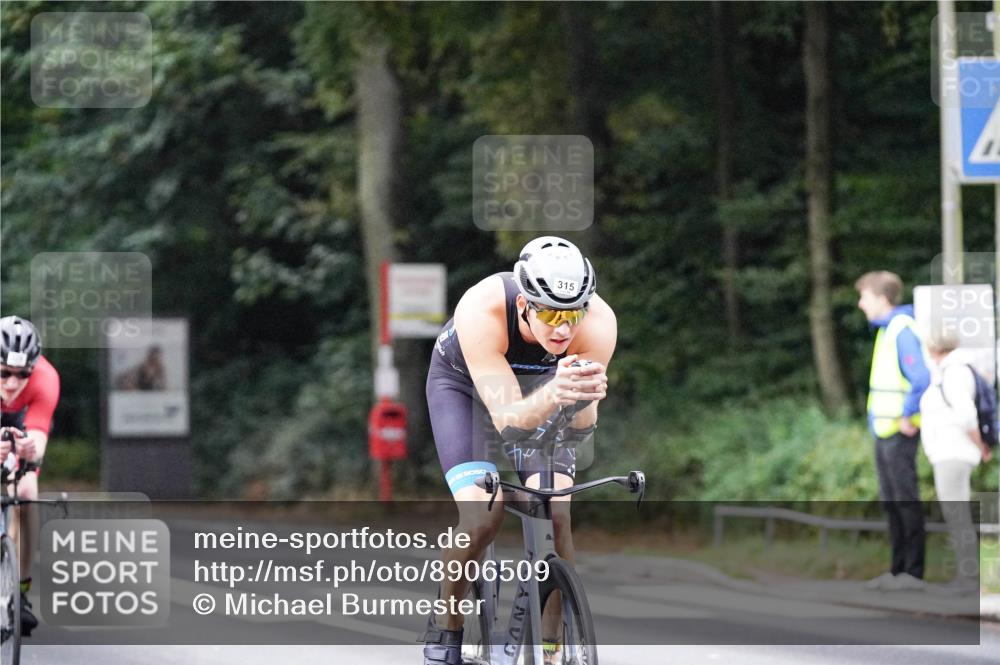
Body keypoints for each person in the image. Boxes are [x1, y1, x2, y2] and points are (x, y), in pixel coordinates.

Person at [422, 237, 616, 665]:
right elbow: (509, 421)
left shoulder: (599, 323)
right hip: (467, 389)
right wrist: (558, 392)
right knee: (481, 517)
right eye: (549, 313)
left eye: (572, 314)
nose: (563, 328)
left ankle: (552, 650)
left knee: (558, 514)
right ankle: (446, 628)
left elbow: (582, 431)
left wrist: (584, 402)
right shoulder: (482, 309)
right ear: (526, 303)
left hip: (545, 391)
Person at [855, 271, 930, 591]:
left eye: (865, 297)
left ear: (882, 299)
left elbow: (920, 377)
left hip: (899, 432)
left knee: (905, 501)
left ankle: (913, 573)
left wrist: (908, 415)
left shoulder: (901, 330)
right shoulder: (886, 331)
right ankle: (898, 570)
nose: (861, 303)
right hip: (884, 431)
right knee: (892, 502)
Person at [920, 326, 992, 592]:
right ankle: (967, 576)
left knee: (957, 514)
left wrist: (980, 445)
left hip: (954, 451)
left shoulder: (954, 372)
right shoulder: (950, 370)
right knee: (957, 513)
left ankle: (968, 577)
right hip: (951, 451)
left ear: (933, 346)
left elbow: (966, 414)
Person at [0, 315, 60, 636]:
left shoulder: (46, 379)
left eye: (22, 375)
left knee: (26, 494)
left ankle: (20, 591)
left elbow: (38, 443)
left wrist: (26, 451)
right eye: (3, 373)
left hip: (21, 424)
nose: (11, 384)